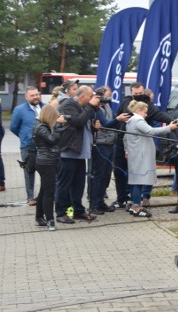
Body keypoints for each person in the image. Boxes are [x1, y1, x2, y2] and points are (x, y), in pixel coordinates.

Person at [112, 82, 174, 209]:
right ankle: (127, 200)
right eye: (136, 94)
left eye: (141, 93)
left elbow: (160, 115)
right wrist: (170, 127)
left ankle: (139, 199)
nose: (139, 96)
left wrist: (171, 121)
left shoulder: (147, 105)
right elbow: (150, 131)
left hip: (137, 146)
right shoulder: (129, 107)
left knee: (138, 176)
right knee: (126, 174)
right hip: (128, 145)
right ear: (131, 93)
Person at [123, 100, 178, 218]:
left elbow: (125, 138)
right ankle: (137, 207)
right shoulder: (138, 120)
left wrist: (127, 150)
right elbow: (151, 131)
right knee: (139, 181)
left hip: (135, 155)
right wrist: (169, 127)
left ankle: (132, 203)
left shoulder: (130, 121)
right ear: (138, 111)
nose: (146, 115)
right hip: (141, 156)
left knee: (134, 181)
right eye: (145, 112)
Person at [55, 85, 100, 224]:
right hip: (69, 152)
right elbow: (78, 122)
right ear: (82, 96)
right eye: (90, 96)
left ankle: (78, 211)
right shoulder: (68, 104)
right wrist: (91, 107)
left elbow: (83, 126)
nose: (92, 99)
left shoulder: (82, 107)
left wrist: (94, 127)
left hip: (79, 153)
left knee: (78, 185)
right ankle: (61, 212)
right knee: (64, 184)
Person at [88, 86, 130, 214]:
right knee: (99, 175)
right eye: (108, 95)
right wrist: (118, 119)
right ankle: (94, 204)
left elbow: (112, 123)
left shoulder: (107, 107)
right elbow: (106, 123)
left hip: (110, 143)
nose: (110, 97)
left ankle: (101, 202)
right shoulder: (97, 109)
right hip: (100, 144)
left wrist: (122, 120)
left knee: (106, 175)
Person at [9, 86, 43, 205]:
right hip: (28, 147)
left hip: (44, 147)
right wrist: (24, 136)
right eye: (32, 95)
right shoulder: (20, 110)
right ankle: (30, 197)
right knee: (29, 172)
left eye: (37, 94)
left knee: (45, 172)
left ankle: (44, 196)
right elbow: (13, 127)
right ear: (26, 97)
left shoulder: (45, 107)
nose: (35, 97)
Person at [33, 104, 64, 230]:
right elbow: (51, 140)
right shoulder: (41, 127)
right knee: (49, 192)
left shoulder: (43, 127)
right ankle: (50, 220)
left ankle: (39, 216)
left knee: (44, 190)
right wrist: (59, 125)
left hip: (48, 161)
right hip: (46, 163)